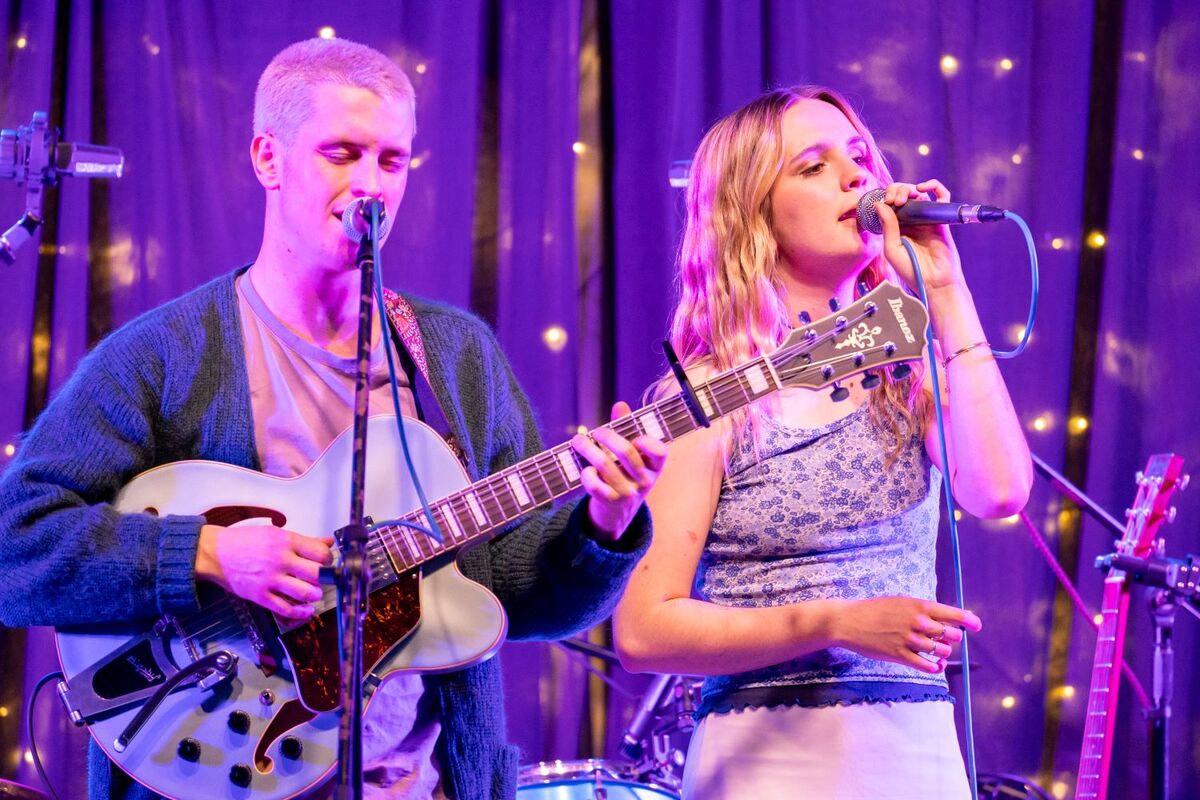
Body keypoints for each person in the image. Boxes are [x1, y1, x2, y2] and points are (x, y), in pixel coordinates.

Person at [0, 38, 665, 800]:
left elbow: (516, 599)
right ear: (268, 159)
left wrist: (605, 526)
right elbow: (14, 548)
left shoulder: (458, 358)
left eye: (390, 160)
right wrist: (209, 554)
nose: (370, 186)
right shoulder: (165, 355)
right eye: (341, 154)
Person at [613, 86, 1032, 798]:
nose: (856, 178)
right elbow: (645, 631)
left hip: (914, 757)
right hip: (767, 760)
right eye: (814, 165)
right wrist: (835, 623)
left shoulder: (910, 367)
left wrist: (949, 292)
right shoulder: (708, 396)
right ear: (752, 211)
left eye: (860, 156)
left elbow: (998, 491)